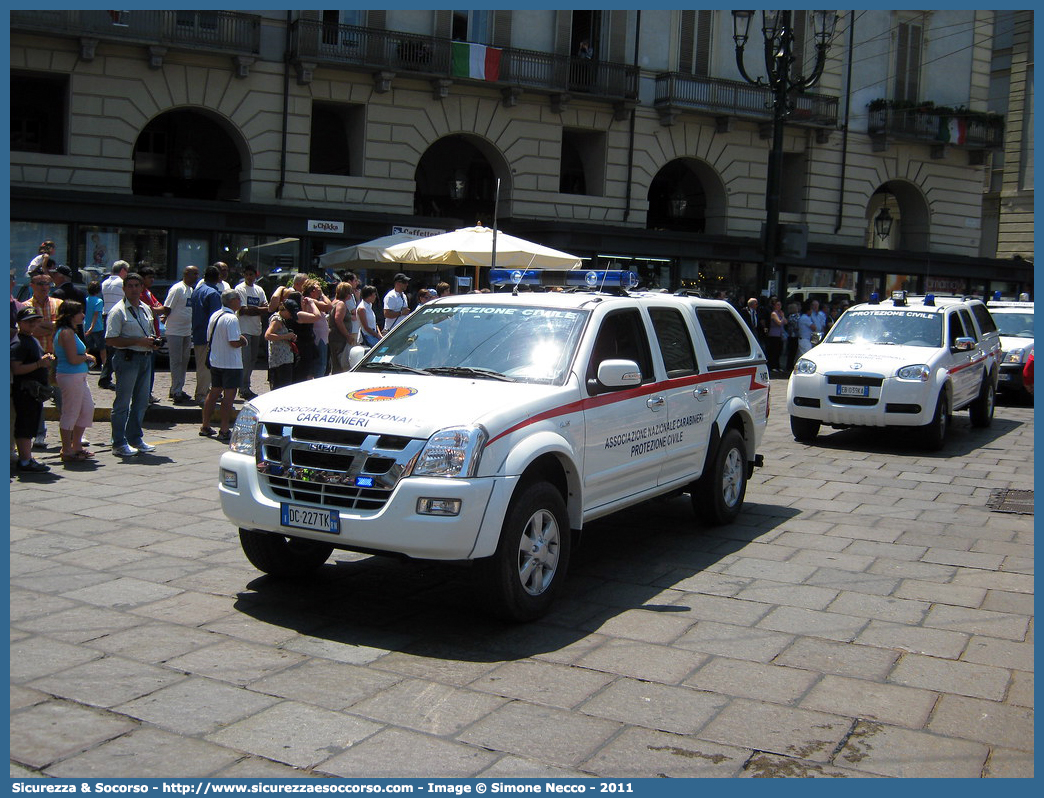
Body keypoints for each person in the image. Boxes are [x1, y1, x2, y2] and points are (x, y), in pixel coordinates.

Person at [106, 272, 161, 457]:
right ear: (124, 289)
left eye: (137, 286)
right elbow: (111, 339)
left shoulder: (145, 308)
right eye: (130, 286)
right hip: (127, 359)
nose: (134, 289)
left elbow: (150, 331)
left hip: (145, 358)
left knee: (141, 401)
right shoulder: (118, 311)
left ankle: (135, 438)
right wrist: (137, 341)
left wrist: (151, 341)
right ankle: (119, 442)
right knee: (122, 403)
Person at [11, 307, 56, 472]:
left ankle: (27, 457)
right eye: (28, 321)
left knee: (30, 425)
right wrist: (39, 364)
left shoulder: (31, 339)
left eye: (34, 320)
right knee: (25, 425)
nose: (32, 324)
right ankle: (24, 460)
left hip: (33, 391)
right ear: (20, 323)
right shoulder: (19, 342)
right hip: (25, 390)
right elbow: (16, 368)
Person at [200, 291, 246, 442]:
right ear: (232, 301)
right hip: (230, 363)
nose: (240, 302)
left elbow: (209, 337)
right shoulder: (231, 318)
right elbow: (233, 342)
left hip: (216, 360)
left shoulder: (215, 315)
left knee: (214, 393)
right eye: (238, 299)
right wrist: (243, 341)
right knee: (228, 397)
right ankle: (224, 429)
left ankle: (205, 425)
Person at [53, 301, 96, 461]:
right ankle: (67, 449)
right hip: (70, 376)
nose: (83, 315)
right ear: (70, 315)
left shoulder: (71, 331)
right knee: (70, 412)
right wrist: (86, 357)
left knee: (87, 408)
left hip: (79, 376)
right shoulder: (66, 333)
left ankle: (77, 445)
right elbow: (72, 358)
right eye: (79, 312)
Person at [161, 265, 198, 404]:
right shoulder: (177, 289)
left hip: (187, 331)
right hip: (174, 331)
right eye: (194, 274)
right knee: (176, 361)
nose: (196, 276)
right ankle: (176, 390)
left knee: (184, 361)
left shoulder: (191, 290)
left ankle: (177, 388)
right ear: (186, 274)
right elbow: (167, 308)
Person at [190, 264, 224, 405]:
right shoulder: (213, 294)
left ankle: (204, 392)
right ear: (218, 278)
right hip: (209, 336)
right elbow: (215, 318)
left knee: (201, 365)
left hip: (198, 332)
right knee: (206, 367)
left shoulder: (197, 291)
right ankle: (202, 395)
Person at [234, 265, 268, 400]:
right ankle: (242, 387)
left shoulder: (259, 290)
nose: (249, 277)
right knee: (245, 359)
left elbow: (266, 307)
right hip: (244, 330)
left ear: (256, 275)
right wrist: (259, 309)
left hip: (256, 329)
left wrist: (255, 309)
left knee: (253, 359)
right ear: (244, 275)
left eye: (252, 275)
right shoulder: (239, 289)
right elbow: (242, 310)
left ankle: (246, 385)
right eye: (247, 274)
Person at [98, 260, 129, 389]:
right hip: (117, 316)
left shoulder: (105, 282)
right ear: (122, 270)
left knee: (110, 348)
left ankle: (106, 376)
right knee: (116, 349)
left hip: (105, 315)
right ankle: (107, 377)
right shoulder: (121, 283)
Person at [265, 296, 299, 391]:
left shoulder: (283, 320)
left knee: (285, 386)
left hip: (285, 358)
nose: (291, 316)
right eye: (290, 313)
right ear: (285, 310)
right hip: (279, 361)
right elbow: (268, 335)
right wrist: (285, 336)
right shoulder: (276, 320)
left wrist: (290, 337)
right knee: (281, 388)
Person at [302, 278, 332, 378]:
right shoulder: (311, 301)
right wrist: (322, 294)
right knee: (321, 364)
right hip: (319, 337)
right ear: (313, 290)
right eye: (319, 288)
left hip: (321, 336)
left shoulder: (312, 301)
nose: (320, 290)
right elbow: (329, 306)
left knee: (319, 363)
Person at [328, 281, 354, 375]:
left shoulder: (334, 302)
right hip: (339, 339)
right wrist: (347, 335)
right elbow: (338, 320)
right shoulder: (341, 304)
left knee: (336, 364)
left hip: (334, 337)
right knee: (340, 364)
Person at [83, 281, 105, 371]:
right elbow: (96, 315)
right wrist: (92, 327)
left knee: (87, 346)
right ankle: (104, 364)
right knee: (102, 348)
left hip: (86, 327)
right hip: (97, 327)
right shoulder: (99, 301)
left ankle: (82, 362)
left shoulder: (85, 300)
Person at [766, 298, 786, 374]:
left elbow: (786, 322)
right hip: (774, 334)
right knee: (774, 351)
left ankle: (777, 366)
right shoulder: (774, 313)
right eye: (778, 305)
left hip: (779, 334)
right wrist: (783, 317)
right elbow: (779, 323)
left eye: (780, 305)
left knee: (779, 351)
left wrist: (782, 316)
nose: (779, 306)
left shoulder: (780, 313)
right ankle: (773, 366)